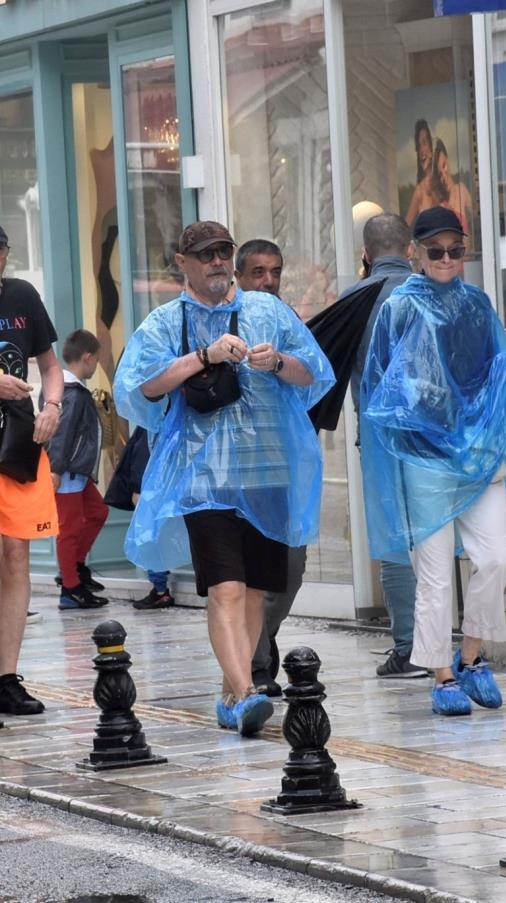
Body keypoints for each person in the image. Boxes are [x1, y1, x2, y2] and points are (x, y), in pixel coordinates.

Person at [114, 221, 334, 737]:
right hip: (203, 478)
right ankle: (245, 691)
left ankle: (232, 691)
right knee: (226, 589)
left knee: (255, 590)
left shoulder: (267, 310)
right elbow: (141, 387)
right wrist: (202, 358)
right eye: (206, 254)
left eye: (223, 252)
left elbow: (315, 373)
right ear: (183, 261)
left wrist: (277, 360)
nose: (216, 261)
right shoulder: (167, 322)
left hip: (265, 468)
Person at [360, 207, 506, 716]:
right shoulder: (398, 307)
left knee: (495, 559)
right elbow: (379, 382)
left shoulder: (478, 304)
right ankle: (442, 674)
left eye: (454, 250)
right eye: (434, 250)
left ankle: (471, 655)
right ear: (415, 252)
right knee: (436, 575)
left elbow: (490, 369)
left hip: (476, 455)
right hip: (421, 459)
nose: (445, 259)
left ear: (466, 251)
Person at [341, 213, 426, 679]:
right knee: (435, 534)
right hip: (432, 432)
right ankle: (446, 642)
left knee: (393, 538)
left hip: (378, 433)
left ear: (366, 255)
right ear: (410, 249)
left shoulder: (355, 298)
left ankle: (409, 647)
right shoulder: (430, 292)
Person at [234, 239, 307, 696]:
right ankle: (257, 665)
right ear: (240, 276)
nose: (267, 281)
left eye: (275, 271)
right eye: (258, 272)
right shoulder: (221, 317)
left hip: (281, 462)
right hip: (232, 468)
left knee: (291, 568)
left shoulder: (288, 320)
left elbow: (313, 372)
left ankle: (263, 635)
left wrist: (280, 361)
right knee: (244, 576)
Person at [0, 225, 63, 716]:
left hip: (17, 442)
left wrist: (54, 406)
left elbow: (50, 366)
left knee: (16, 555)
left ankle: (7, 677)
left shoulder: (22, 296)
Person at [45, 329, 109, 610]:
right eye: (96, 360)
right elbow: (61, 433)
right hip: (67, 471)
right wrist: (56, 470)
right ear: (88, 357)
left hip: (76, 472)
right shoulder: (70, 392)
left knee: (97, 512)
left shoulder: (70, 389)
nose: (96, 366)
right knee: (68, 529)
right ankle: (70, 588)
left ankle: (75, 568)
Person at [104, 425, 175, 610]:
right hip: (166, 487)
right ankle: (160, 588)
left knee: (149, 537)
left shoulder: (150, 422)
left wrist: (137, 488)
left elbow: (141, 456)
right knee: (156, 536)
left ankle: (160, 591)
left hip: (150, 490)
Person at [405, 120, 449, 226]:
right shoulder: (420, 190)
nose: (422, 150)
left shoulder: (444, 179)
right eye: (419, 146)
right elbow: (406, 226)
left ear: (431, 145)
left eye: (424, 143)